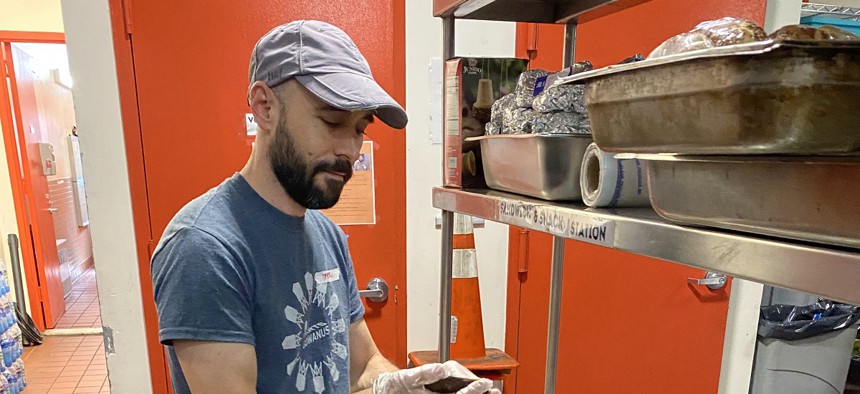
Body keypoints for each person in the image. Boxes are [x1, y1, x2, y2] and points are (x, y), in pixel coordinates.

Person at [150, 20, 498, 394]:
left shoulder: (325, 234)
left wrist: (395, 388)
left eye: (360, 128)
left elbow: (360, 366)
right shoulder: (204, 248)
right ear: (265, 107)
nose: (350, 149)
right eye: (332, 122)